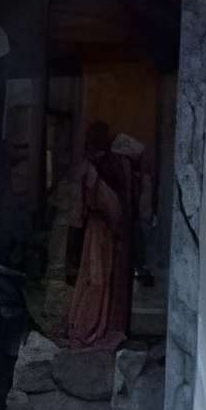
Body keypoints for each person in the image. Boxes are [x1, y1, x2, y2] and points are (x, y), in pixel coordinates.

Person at [59, 122, 140, 351]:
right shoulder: (102, 165)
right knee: (95, 278)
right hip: (99, 229)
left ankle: (90, 327)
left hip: (102, 229)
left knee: (98, 278)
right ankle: (86, 326)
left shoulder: (103, 165)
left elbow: (109, 202)